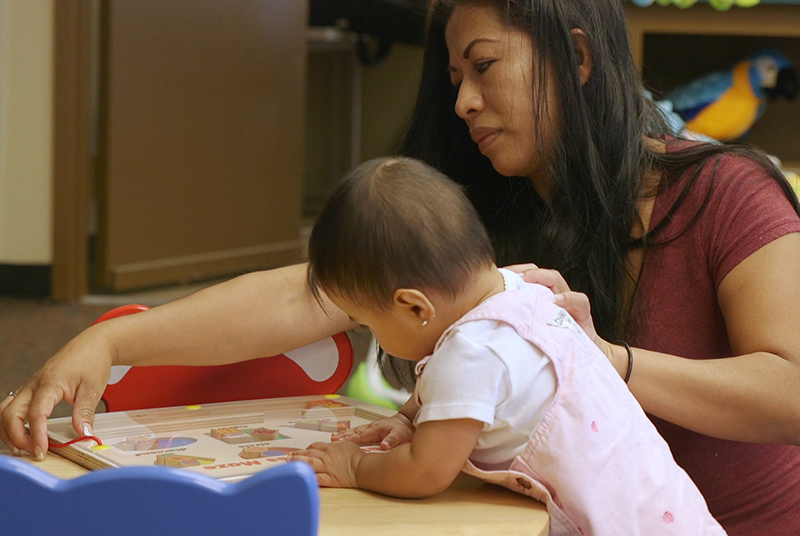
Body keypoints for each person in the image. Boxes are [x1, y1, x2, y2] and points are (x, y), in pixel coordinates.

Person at [1, 1, 799, 533]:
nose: (462, 102)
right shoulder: (478, 218)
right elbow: (304, 294)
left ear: (578, 57)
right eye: (454, 78)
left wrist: (606, 362)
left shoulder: (725, 190)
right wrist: (111, 344)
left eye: (484, 67)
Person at [287, 155, 726, 535]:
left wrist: (354, 467)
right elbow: (480, 392)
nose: (372, 336)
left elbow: (426, 471)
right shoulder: (520, 289)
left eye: (368, 323)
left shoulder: (471, 352)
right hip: (668, 508)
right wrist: (409, 419)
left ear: (415, 308)